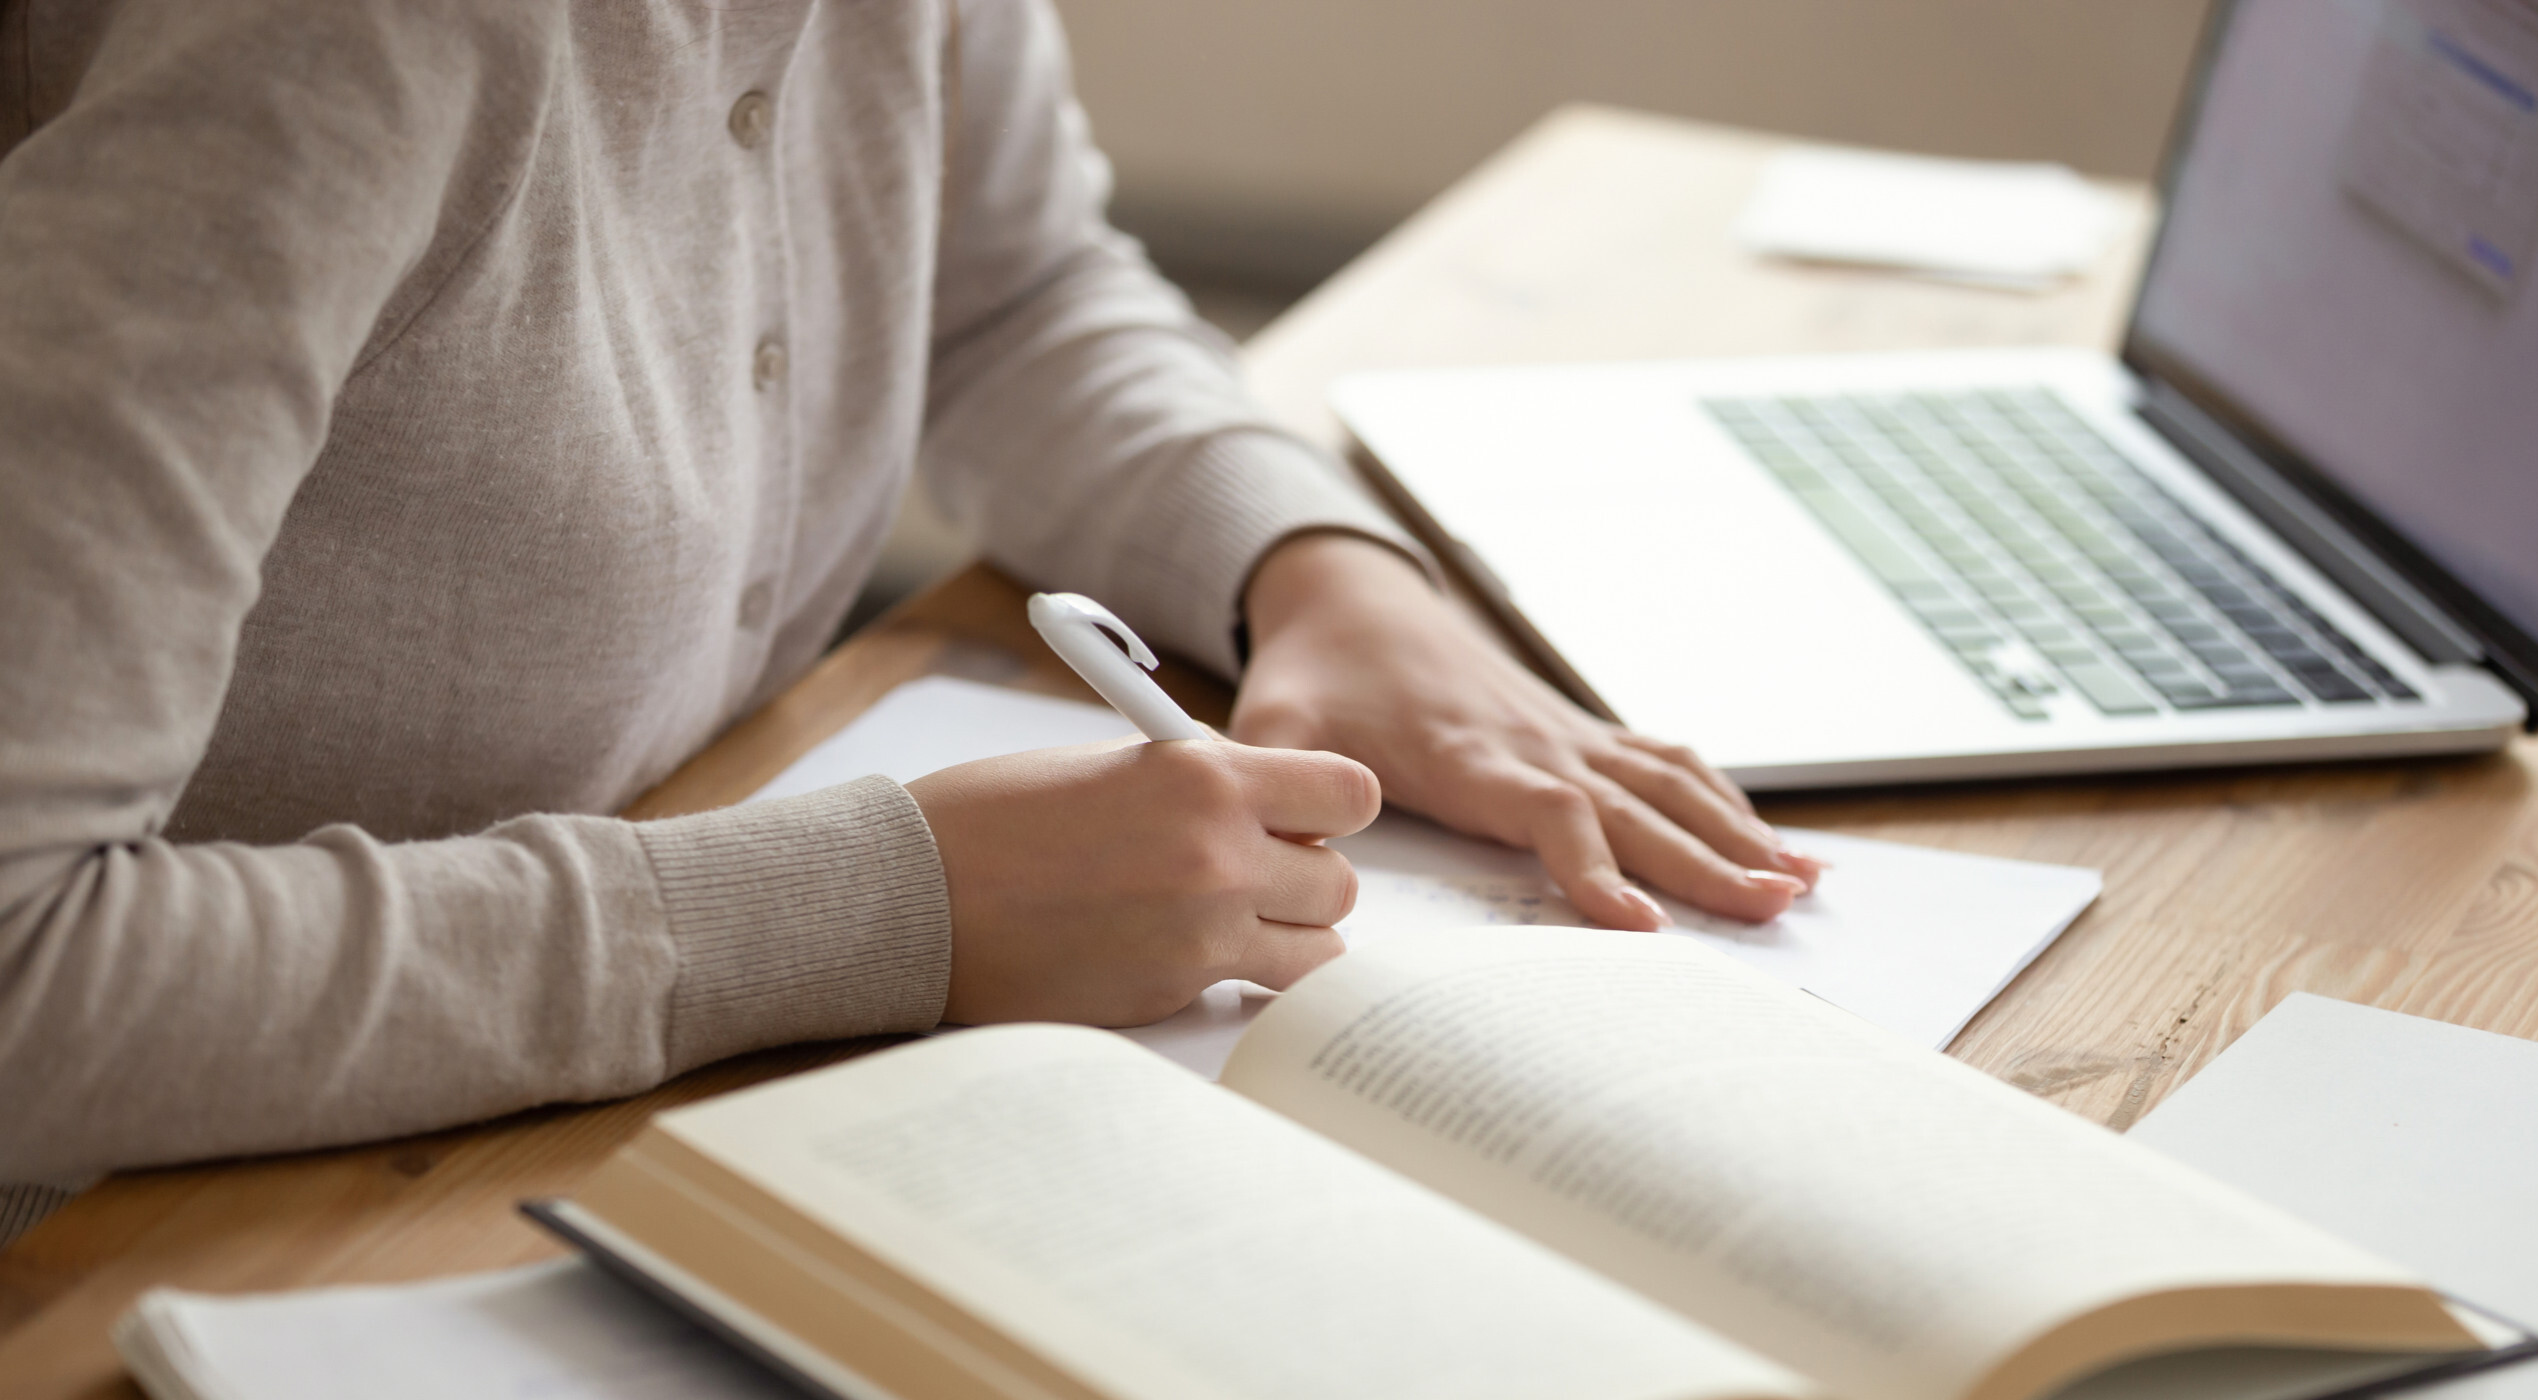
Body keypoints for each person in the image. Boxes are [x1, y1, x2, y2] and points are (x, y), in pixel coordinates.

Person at [0, 0, 1819, 1235]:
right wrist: (879, 911)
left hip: (523, 1118)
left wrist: (1317, 570)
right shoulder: (327, 44)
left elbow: (1010, 286)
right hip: (145, 1235)